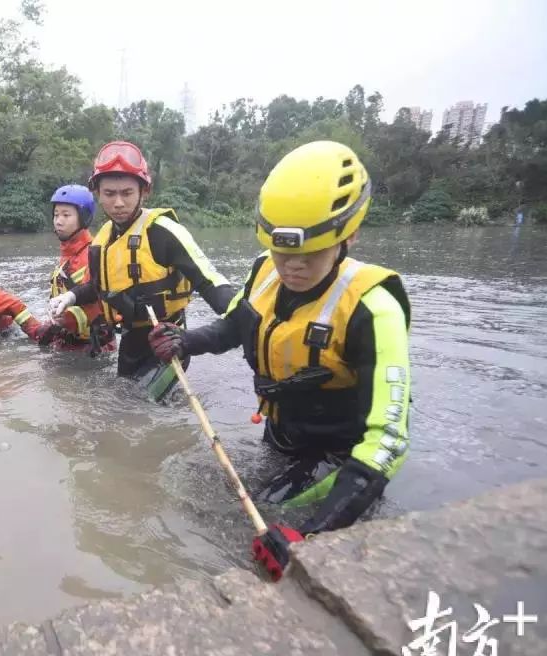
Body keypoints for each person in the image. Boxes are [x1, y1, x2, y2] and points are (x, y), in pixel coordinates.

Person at [147, 140, 412, 578]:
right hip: (283, 437)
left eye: (310, 255)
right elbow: (234, 326)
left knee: (271, 521)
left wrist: (310, 535)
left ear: (349, 235)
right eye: (282, 252)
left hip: (339, 459)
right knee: (187, 483)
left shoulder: (374, 309)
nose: (293, 267)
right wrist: (184, 341)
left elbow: (387, 441)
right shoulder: (263, 271)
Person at [51, 141, 235, 400]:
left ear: (144, 191)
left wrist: (242, 320)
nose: (117, 203)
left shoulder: (164, 232)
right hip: (130, 340)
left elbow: (211, 283)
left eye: (126, 193)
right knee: (123, 406)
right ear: (97, 192)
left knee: (146, 408)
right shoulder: (101, 240)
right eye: (109, 193)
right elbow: (97, 288)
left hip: (169, 340)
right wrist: (70, 297)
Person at [41, 184, 115, 354]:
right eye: (56, 215)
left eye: (66, 215)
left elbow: (100, 304)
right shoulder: (67, 253)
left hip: (93, 348)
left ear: (83, 218)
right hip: (67, 341)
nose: (58, 221)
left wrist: (65, 320)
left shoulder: (92, 254)